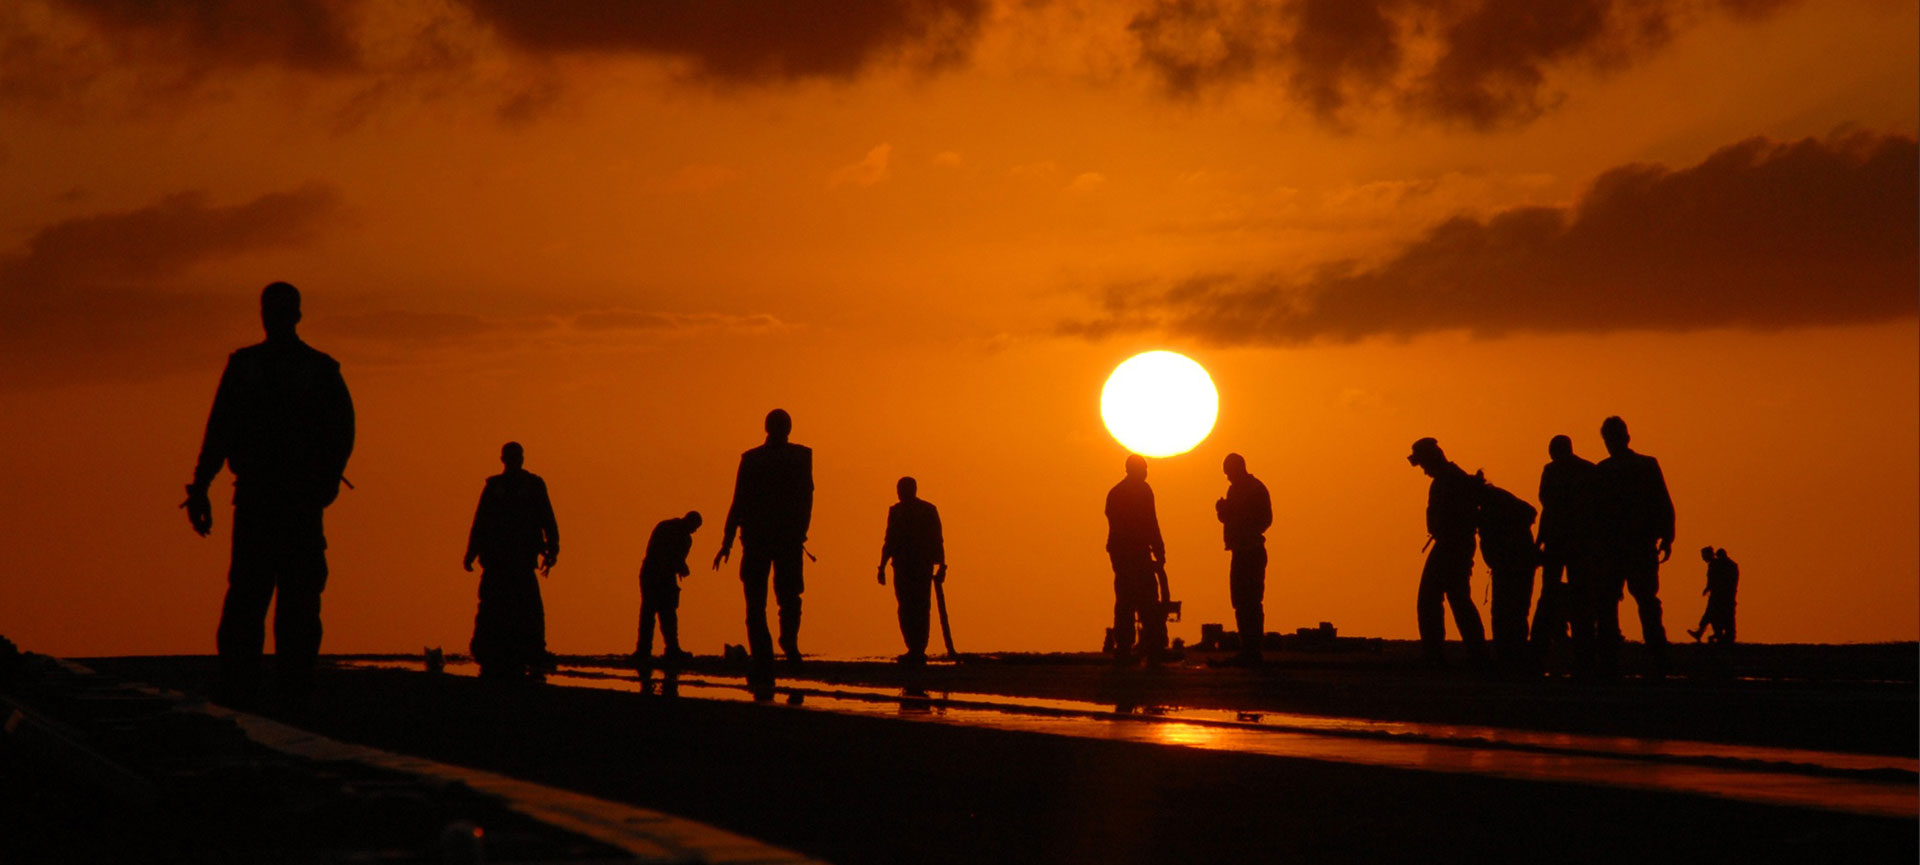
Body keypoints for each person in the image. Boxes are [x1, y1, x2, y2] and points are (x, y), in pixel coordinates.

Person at [184, 282, 354, 706]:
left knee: (278, 597)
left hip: (285, 501)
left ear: (291, 315)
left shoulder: (305, 369)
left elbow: (341, 432)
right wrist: (201, 486)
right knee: (262, 596)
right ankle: (263, 689)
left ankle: (277, 689)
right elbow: (220, 431)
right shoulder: (272, 368)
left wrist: (327, 480)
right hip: (273, 500)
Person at [713, 409, 814, 694]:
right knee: (783, 597)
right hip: (776, 539)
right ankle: (782, 647)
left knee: (768, 600)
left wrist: (728, 540)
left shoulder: (757, 459)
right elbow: (806, 498)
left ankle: (771, 651)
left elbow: (739, 501)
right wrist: (728, 540)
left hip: (769, 539)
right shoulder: (798, 457)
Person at [463, 442, 560, 680]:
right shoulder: (494, 487)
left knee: (528, 606)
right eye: (512, 456)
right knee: (492, 606)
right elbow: (481, 522)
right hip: (497, 560)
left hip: (521, 559)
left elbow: (548, 518)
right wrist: (471, 552)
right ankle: (489, 650)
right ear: (504, 459)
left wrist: (553, 548)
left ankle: (533, 649)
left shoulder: (534, 486)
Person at [1594, 416, 1675, 674]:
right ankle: (1656, 655)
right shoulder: (1644, 466)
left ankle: (1612, 657)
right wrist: (1667, 535)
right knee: (1643, 601)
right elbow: (1662, 502)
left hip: (1619, 546)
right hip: (1635, 544)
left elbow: (1594, 513)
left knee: (1612, 602)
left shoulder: (1605, 470)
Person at [1406, 438, 1486, 667]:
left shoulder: (1449, 480)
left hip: (1452, 545)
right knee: (1456, 598)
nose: (1423, 470)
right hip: (1454, 544)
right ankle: (1474, 652)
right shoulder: (1453, 477)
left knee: (1433, 598)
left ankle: (1437, 654)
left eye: (1423, 464)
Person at [1532, 435, 1601, 675]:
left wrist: (1540, 540)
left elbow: (1548, 507)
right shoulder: (1586, 470)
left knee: (1557, 595)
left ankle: (1543, 653)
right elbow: (1547, 507)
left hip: (1567, 542)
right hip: (1571, 543)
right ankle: (1582, 657)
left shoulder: (1556, 471)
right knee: (1576, 597)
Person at [1106, 454, 1170, 665]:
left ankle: (1126, 648)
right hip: (1132, 554)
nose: (1146, 472)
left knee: (1126, 600)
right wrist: (1158, 550)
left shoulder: (1116, 493)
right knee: (1144, 600)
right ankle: (1148, 647)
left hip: (1124, 554)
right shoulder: (1141, 491)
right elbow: (1151, 521)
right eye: (1144, 468)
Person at [877, 477, 947, 665]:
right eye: (898, 489)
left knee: (921, 607)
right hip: (901, 567)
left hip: (921, 566)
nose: (899, 493)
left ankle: (918, 649)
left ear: (912, 490)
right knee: (905, 607)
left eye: (903, 489)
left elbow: (936, 538)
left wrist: (942, 565)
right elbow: (889, 540)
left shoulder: (928, 510)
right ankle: (912, 648)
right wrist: (882, 566)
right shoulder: (896, 512)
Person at [1214, 453, 1272, 666]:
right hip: (1239, 551)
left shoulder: (1255, 489)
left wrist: (1234, 513)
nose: (1228, 477)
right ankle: (1247, 649)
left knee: (1251, 601)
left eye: (1229, 472)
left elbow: (1264, 519)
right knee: (1240, 600)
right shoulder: (1235, 489)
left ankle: (1252, 651)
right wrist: (1223, 512)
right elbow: (1231, 518)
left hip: (1252, 551)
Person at [1476, 477, 1539, 671]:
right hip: (1512, 563)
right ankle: (1510, 656)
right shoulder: (1491, 503)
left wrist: (1506, 543)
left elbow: (1530, 513)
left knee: (1509, 611)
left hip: (1514, 564)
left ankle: (1511, 658)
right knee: (1511, 611)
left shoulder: (1495, 503)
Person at [634, 511, 702, 668]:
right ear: (689, 522)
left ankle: (652, 650)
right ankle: (656, 649)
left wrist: (680, 567)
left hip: (656, 573)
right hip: (655, 574)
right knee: (657, 613)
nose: (694, 531)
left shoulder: (666, 527)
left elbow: (674, 558)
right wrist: (682, 568)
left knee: (656, 613)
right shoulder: (678, 534)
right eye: (695, 527)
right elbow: (669, 556)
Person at [1689, 547, 1739, 644]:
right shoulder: (1728, 565)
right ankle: (1716, 634)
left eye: (1704, 556)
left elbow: (1716, 580)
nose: (1703, 558)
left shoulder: (1719, 565)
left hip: (1721, 596)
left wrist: (1710, 588)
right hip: (1724, 595)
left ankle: (1719, 634)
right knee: (1715, 615)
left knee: (1715, 615)